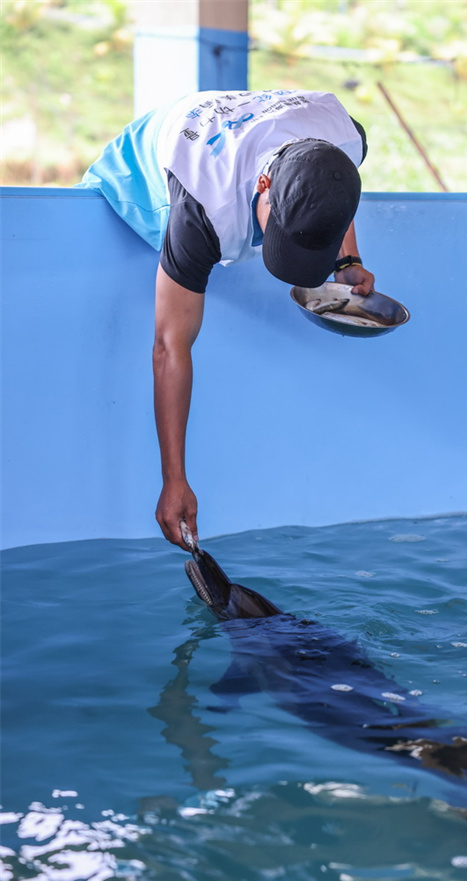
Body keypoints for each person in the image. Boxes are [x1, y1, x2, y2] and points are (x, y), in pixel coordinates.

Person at [79, 89, 375, 549]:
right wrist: (173, 480)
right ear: (265, 187)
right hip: (149, 161)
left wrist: (345, 260)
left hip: (243, 130)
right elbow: (169, 346)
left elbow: (337, 190)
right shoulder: (202, 210)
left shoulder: (345, 139)